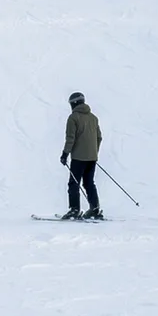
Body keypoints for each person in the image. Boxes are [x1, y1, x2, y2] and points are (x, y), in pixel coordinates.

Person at [60, 91, 102, 220]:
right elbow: (99, 137)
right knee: (89, 183)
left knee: (74, 183)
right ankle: (94, 209)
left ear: (74, 103)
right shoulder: (94, 118)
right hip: (92, 157)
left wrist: (65, 154)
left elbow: (70, 138)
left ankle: (74, 210)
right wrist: (94, 152)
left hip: (78, 157)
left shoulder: (73, 118)